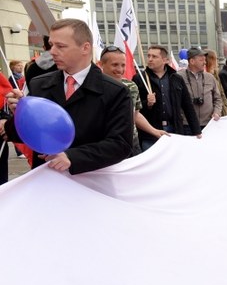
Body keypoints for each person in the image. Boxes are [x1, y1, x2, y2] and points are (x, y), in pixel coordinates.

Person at [2, 19, 133, 174]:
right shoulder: (39, 84)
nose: (52, 52)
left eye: (61, 46)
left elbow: (120, 145)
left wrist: (72, 157)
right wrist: (21, 113)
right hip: (46, 180)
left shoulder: (116, 91)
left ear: (85, 48)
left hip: (92, 181)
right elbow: (25, 134)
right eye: (51, 45)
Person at [98, 45, 168, 156]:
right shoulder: (92, 87)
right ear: (101, 64)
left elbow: (135, 115)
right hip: (103, 145)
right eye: (115, 65)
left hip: (131, 143)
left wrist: (154, 131)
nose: (120, 70)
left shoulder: (131, 86)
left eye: (123, 65)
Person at [135, 45, 201, 151]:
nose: (150, 59)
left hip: (174, 130)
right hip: (150, 133)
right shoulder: (140, 78)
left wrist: (197, 130)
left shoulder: (176, 78)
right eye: (149, 56)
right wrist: (147, 103)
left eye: (154, 56)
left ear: (165, 60)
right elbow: (134, 110)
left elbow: (187, 105)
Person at [177, 48, 222, 129]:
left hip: (208, 124)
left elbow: (218, 98)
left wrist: (217, 112)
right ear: (192, 61)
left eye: (205, 60)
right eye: (201, 60)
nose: (205, 62)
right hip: (187, 125)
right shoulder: (179, 77)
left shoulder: (210, 77)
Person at [204, 49, 227, 118]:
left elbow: (221, 93)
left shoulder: (216, 73)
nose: (217, 61)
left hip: (221, 109)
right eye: (216, 59)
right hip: (211, 112)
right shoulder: (204, 75)